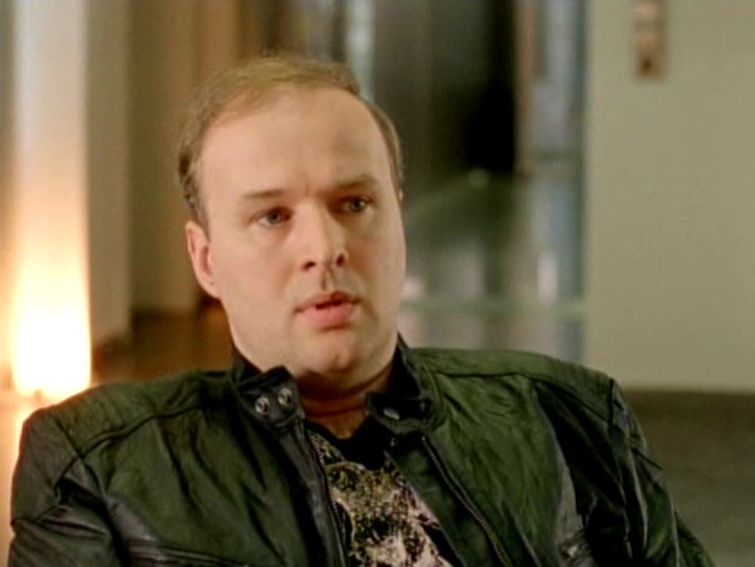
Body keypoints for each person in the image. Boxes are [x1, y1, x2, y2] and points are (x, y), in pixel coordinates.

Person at [9, 56, 713, 567]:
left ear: (397, 217)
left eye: (354, 203)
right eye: (272, 216)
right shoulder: (99, 466)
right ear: (206, 259)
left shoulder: (571, 417)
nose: (324, 248)